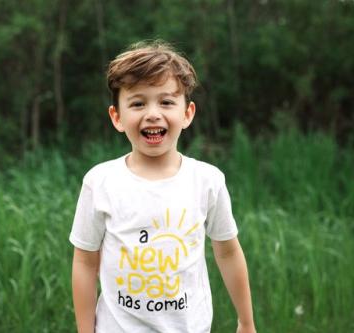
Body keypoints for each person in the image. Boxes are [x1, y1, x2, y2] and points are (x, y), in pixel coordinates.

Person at [70, 40, 256, 333]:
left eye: (166, 102)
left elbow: (228, 253)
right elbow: (85, 262)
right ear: (117, 117)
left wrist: (246, 322)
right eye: (138, 103)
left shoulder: (207, 181)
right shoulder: (100, 182)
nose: (153, 113)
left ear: (187, 113)